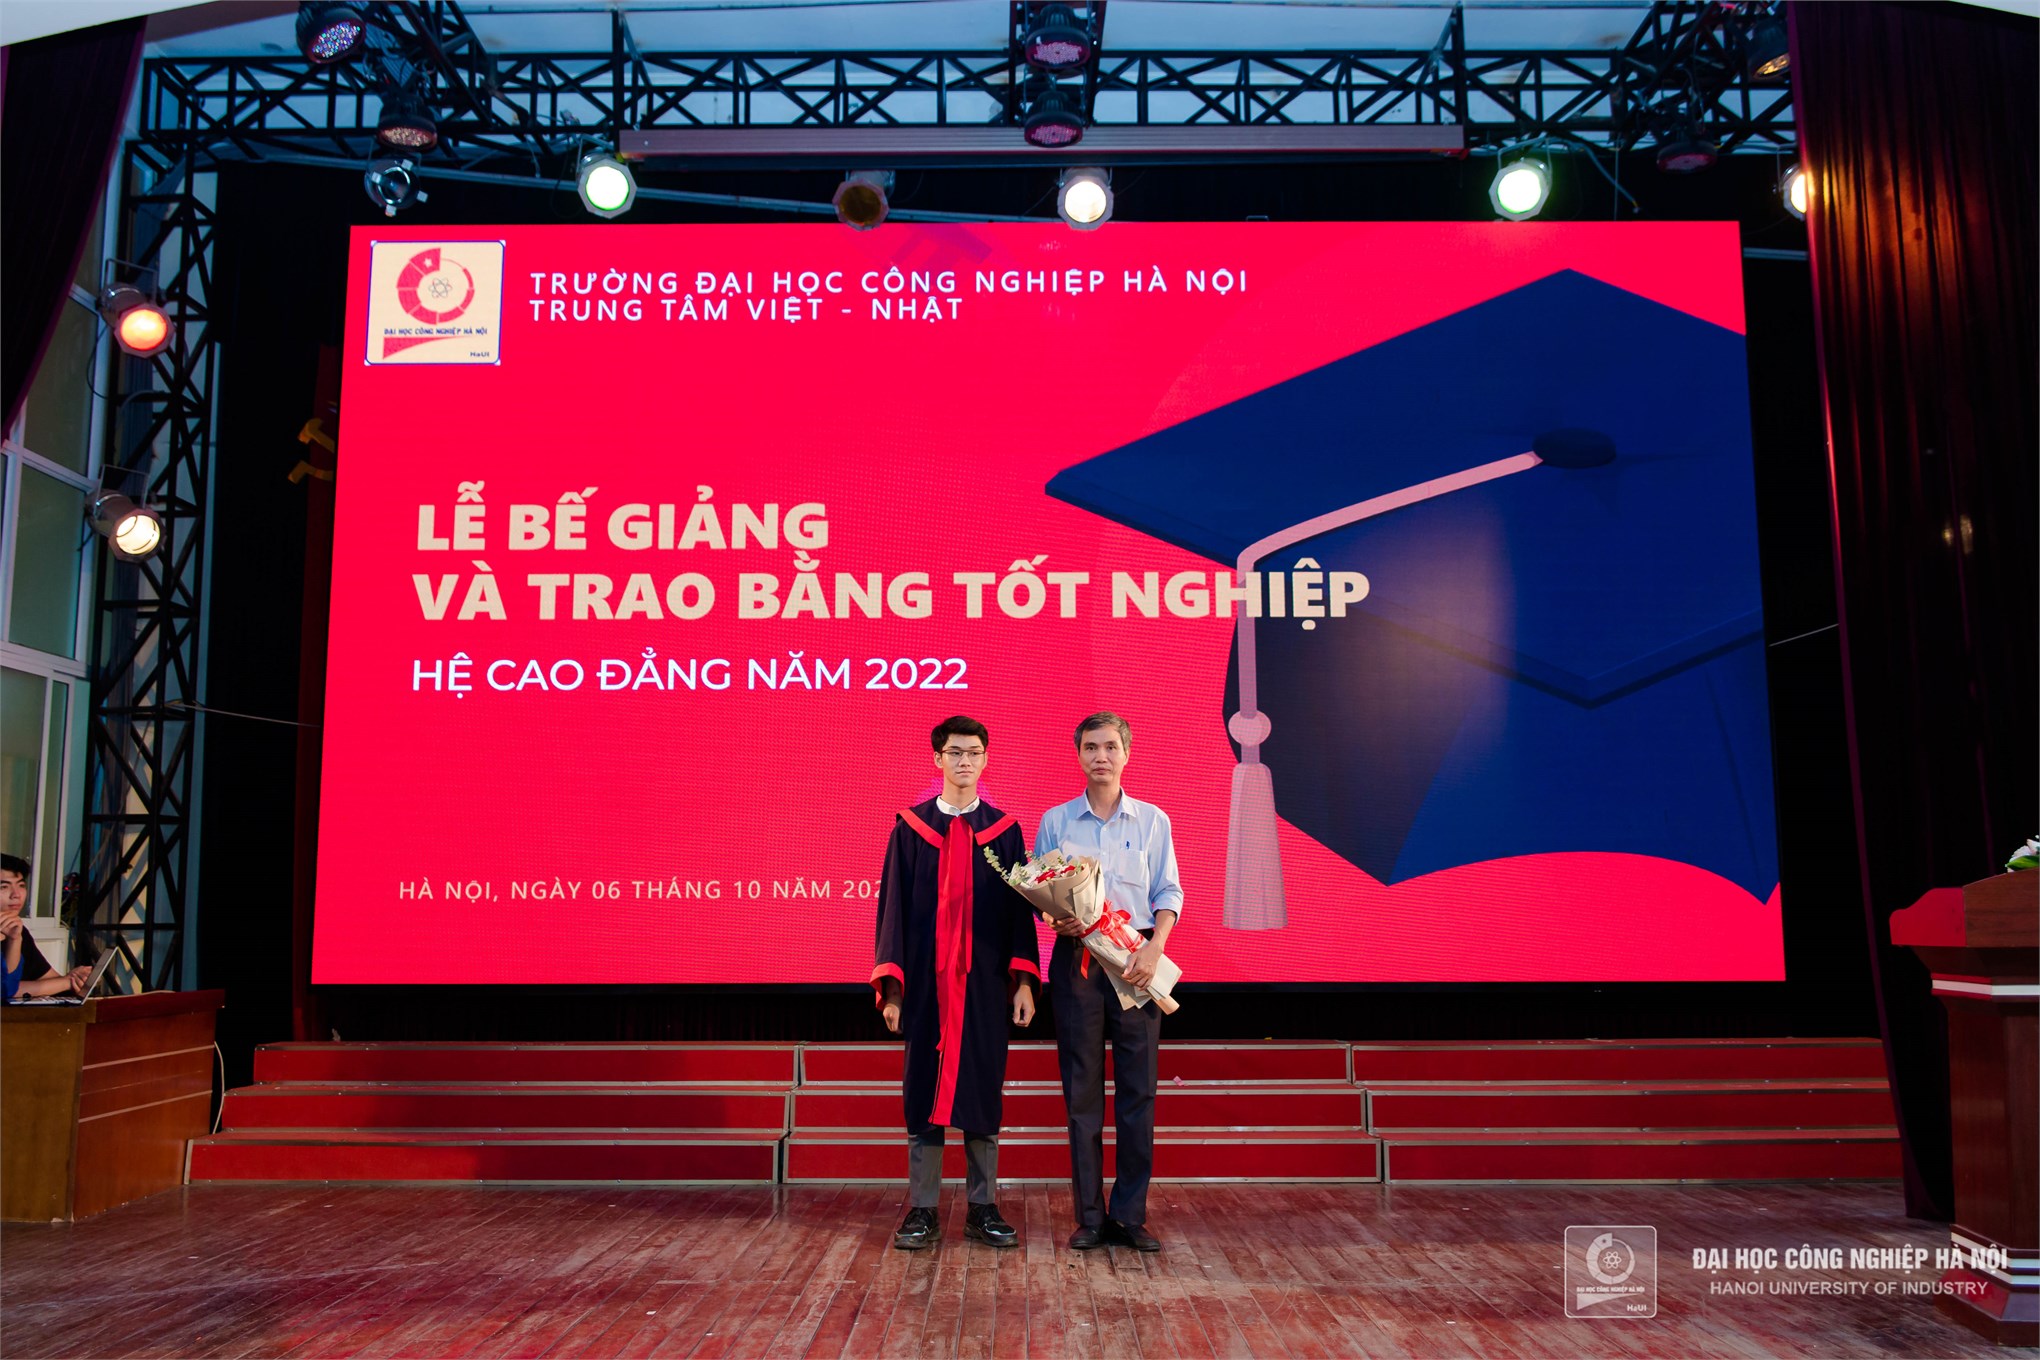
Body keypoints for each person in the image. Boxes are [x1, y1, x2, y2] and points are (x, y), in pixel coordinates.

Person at [871, 716, 1040, 1250]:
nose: (964, 761)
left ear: (986, 759)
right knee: (923, 1087)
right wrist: (893, 990)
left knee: (982, 1088)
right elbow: (893, 910)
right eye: (954, 752)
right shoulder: (910, 829)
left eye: (973, 752)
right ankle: (922, 1208)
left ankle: (982, 1207)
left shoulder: (1004, 831)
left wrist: (1023, 982)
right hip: (926, 985)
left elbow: (1019, 914)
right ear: (937, 759)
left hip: (984, 985)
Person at [1036, 712, 1181, 1253]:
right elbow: (1040, 892)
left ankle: (1130, 1215)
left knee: (1138, 1091)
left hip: (1136, 959)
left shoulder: (1153, 821)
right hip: (1078, 963)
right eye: (1091, 747)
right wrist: (1054, 917)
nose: (1101, 756)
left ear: (1126, 754)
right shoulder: (1057, 821)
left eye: (1110, 747)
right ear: (1078, 755)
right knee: (1082, 1094)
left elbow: (1168, 892)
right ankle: (1090, 1216)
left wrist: (1154, 946)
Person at [1, 855, 90, 1002]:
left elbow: (48, 978)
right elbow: (6, 990)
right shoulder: (15, 934)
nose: (16, 895)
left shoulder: (18, 931)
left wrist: (77, 979)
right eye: (4, 887)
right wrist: (66, 982)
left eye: (21, 885)